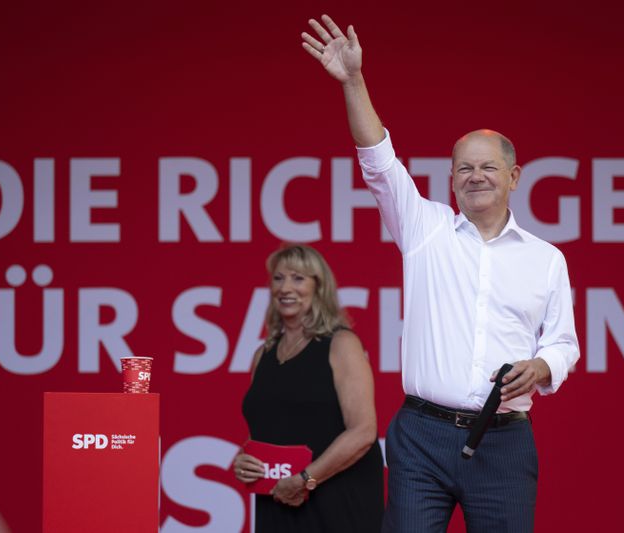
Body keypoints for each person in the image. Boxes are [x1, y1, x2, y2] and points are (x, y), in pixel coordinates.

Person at [301, 15, 580, 533]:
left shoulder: (546, 258)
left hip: (504, 441)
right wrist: (353, 81)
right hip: (422, 435)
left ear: (514, 177)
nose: (475, 176)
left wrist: (543, 368)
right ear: (451, 180)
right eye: (463, 169)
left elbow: (563, 343)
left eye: (488, 167)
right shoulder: (425, 229)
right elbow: (380, 163)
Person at [234, 244, 384, 532]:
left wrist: (305, 479)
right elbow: (266, 431)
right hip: (278, 499)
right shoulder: (261, 355)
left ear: (319, 286)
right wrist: (245, 460)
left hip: (336, 500)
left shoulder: (341, 344)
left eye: (298, 278)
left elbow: (363, 432)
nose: (285, 287)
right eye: (278, 278)